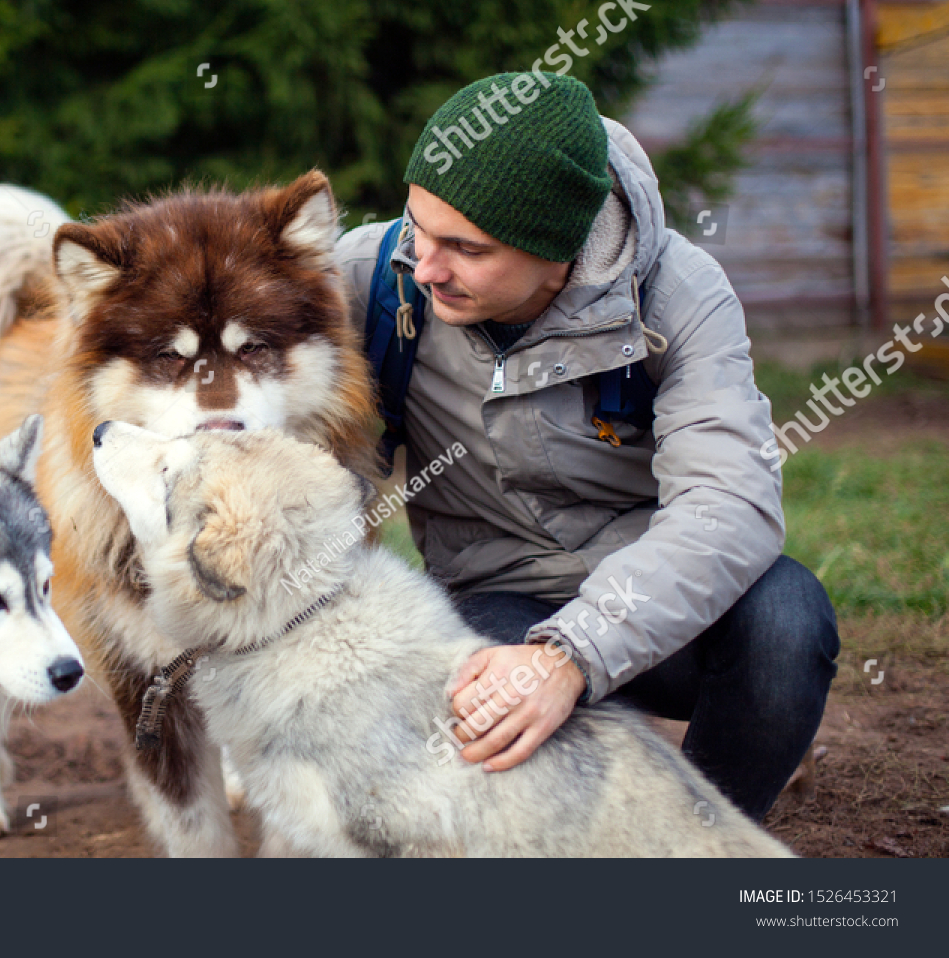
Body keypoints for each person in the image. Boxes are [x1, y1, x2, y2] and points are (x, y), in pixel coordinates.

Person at [334, 73, 839, 821]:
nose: (426, 265)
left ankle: (702, 837)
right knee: (477, 735)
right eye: (418, 226)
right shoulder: (370, 277)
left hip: (657, 601)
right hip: (493, 599)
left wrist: (571, 654)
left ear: (559, 251)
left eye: (465, 248)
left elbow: (729, 505)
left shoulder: (681, 296)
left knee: (787, 619)